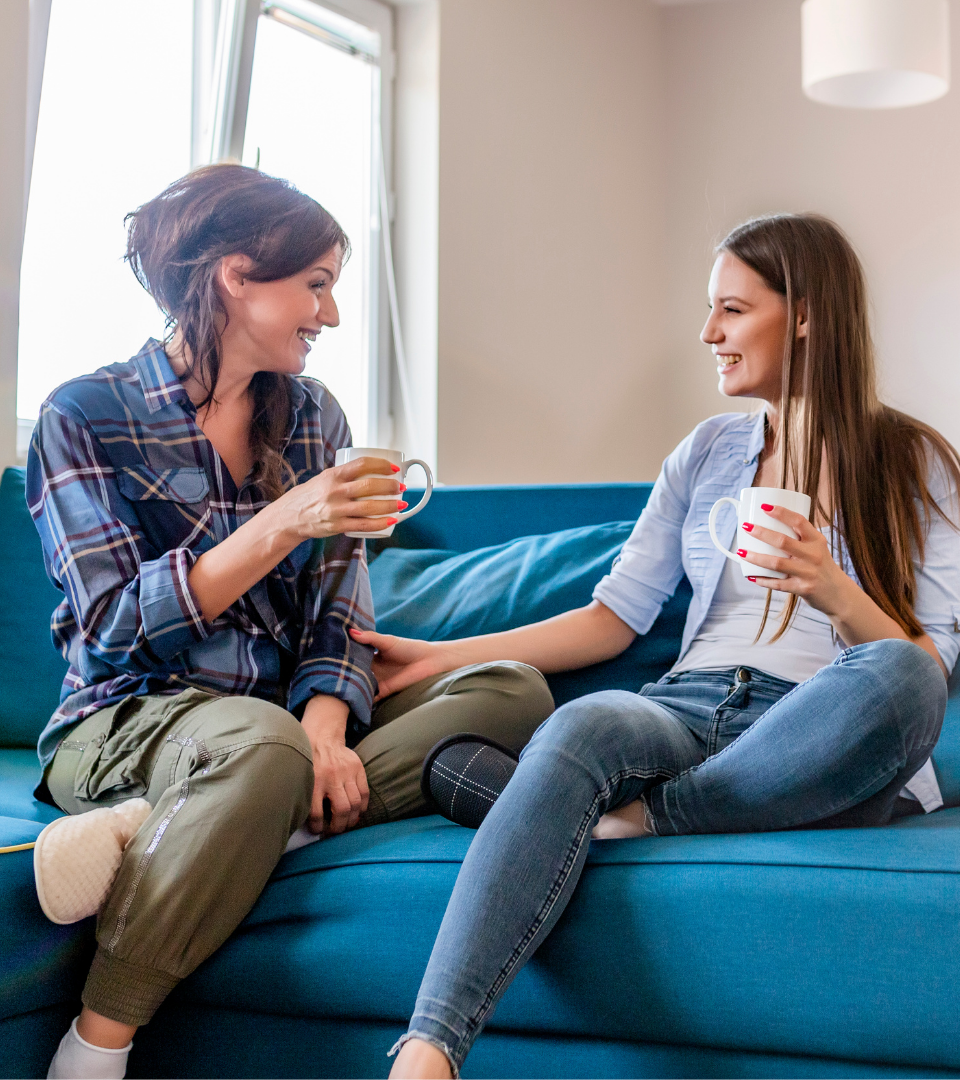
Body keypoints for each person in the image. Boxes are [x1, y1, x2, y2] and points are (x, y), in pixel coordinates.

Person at [350, 213, 960, 1079]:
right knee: (588, 723)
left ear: (807, 314)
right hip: (687, 709)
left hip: (812, 727)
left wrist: (833, 590)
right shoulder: (708, 451)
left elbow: (928, 666)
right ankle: (429, 1049)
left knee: (899, 670)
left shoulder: (919, 465)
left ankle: (627, 818)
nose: (708, 332)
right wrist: (444, 655)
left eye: (732, 310)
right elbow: (615, 616)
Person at [25, 164, 553, 1080]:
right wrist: (281, 523)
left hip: (275, 732)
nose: (332, 315)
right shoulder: (84, 416)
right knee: (261, 749)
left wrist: (326, 723)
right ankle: (96, 1043)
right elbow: (110, 627)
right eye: (316, 285)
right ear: (235, 276)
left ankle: (187, 824)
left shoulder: (313, 416)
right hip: (125, 722)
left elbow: (339, 606)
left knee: (512, 690)